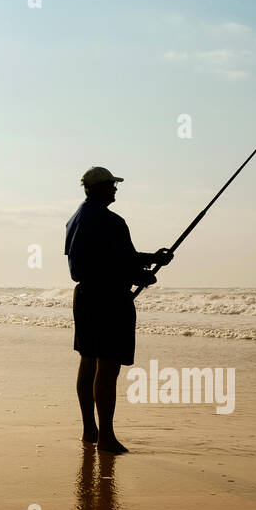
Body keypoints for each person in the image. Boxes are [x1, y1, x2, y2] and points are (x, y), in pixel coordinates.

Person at [65, 166, 173, 453]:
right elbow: (119, 264)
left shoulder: (76, 219)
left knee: (88, 360)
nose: (115, 189)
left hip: (86, 296)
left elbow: (97, 261)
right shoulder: (111, 221)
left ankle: (90, 429)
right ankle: (107, 437)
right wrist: (142, 275)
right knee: (108, 366)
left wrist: (151, 258)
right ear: (100, 187)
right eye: (112, 185)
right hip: (109, 300)